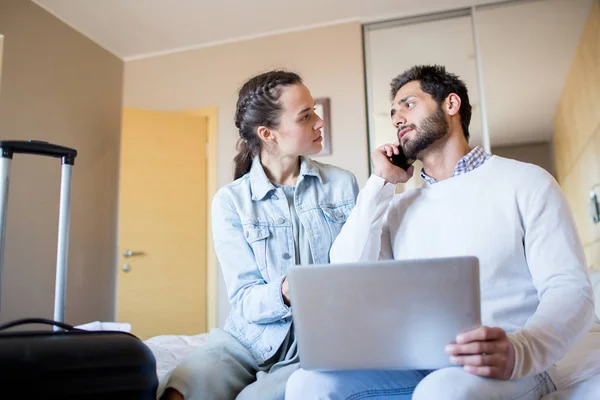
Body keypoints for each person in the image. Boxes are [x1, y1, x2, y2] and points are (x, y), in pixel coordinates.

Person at [284, 65, 598, 399]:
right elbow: (345, 271)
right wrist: (381, 183)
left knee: (442, 391)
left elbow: (571, 290)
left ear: (451, 104)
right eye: (392, 113)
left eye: (408, 104)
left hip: (509, 361)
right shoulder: (397, 208)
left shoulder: (527, 182)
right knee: (308, 383)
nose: (397, 119)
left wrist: (522, 350)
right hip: (416, 360)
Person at [159, 70, 359, 400]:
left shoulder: (342, 184)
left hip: (320, 339)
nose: (319, 122)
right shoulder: (230, 201)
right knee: (181, 388)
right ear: (268, 134)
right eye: (306, 115)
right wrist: (286, 290)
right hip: (248, 340)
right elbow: (245, 298)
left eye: (315, 112)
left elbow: (360, 267)